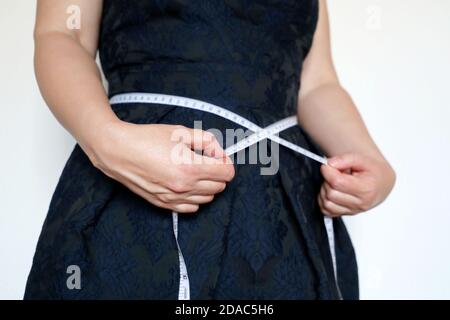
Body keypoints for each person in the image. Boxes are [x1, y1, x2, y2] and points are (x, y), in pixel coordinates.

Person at [25, 0, 396, 299]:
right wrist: (107, 140)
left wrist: (369, 157)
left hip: (284, 215)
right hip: (136, 192)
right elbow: (62, 34)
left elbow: (315, 83)